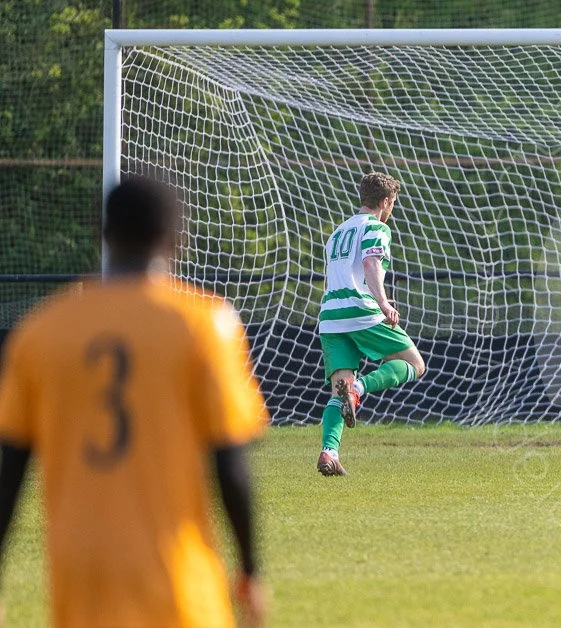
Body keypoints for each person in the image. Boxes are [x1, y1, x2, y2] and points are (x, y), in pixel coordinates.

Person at [0, 177, 268, 626]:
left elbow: (9, 472)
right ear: (174, 240)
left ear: (104, 235)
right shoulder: (204, 325)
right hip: (174, 575)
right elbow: (230, 467)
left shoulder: (40, 331)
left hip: (78, 575)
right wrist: (249, 573)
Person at [316, 172, 427, 476]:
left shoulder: (338, 232)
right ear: (386, 201)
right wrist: (383, 301)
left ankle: (329, 452)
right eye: (393, 203)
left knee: (339, 388)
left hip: (329, 316)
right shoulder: (376, 227)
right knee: (414, 364)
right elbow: (370, 262)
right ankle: (360, 389)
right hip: (360, 310)